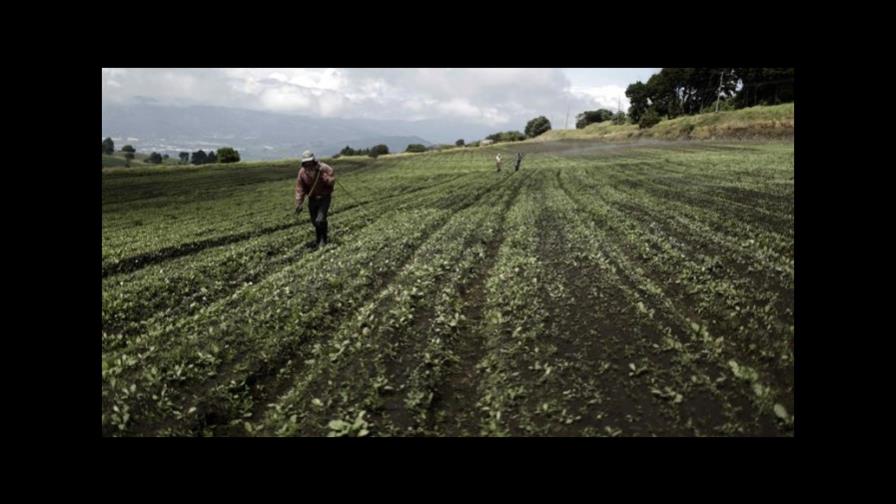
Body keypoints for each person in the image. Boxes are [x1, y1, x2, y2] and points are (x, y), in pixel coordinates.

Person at [295, 150, 335, 248]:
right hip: (312, 198)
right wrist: (299, 202)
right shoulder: (302, 172)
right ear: (303, 163)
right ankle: (318, 239)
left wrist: (325, 176)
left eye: (310, 162)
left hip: (324, 198)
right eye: (306, 163)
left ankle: (323, 240)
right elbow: (300, 188)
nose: (308, 165)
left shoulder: (323, 168)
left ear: (313, 161)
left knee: (320, 219)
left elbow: (331, 180)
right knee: (315, 221)